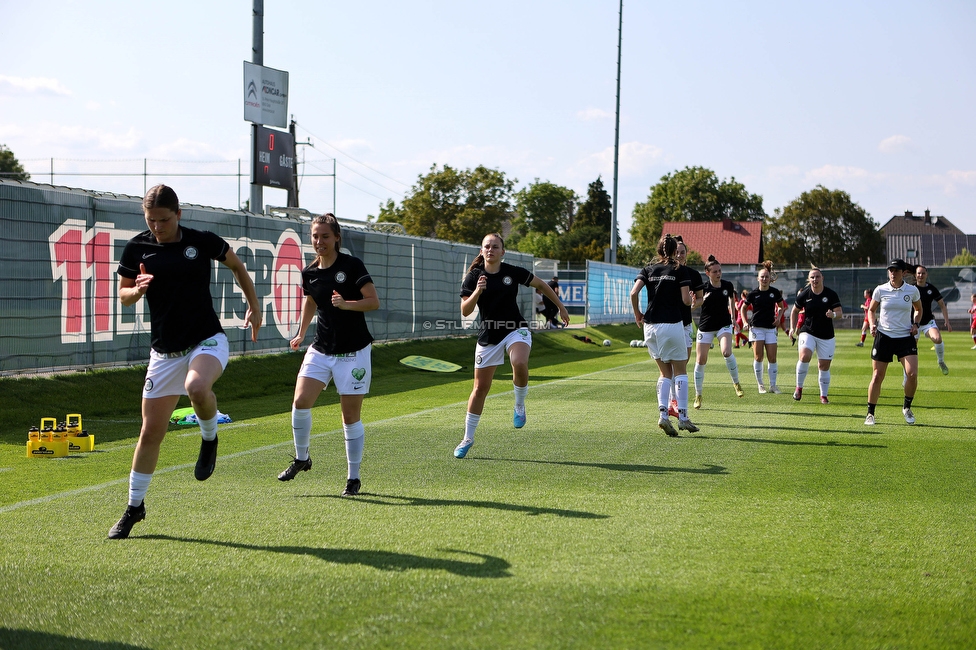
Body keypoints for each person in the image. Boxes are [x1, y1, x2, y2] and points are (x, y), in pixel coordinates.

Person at [108, 185, 262, 539]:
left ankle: (209, 439)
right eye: (151, 221)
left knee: (196, 386)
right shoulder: (137, 248)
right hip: (164, 353)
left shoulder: (201, 241)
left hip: (206, 339)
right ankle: (134, 508)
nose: (158, 227)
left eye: (164, 220)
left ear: (179, 214)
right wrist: (139, 289)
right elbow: (124, 296)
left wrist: (253, 307)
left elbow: (237, 266)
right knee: (150, 433)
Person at [277, 214, 379, 496]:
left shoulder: (352, 265)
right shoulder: (309, 272)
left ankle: (353, 478)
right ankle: (301, 458)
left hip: (354, 351)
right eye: (315, 236)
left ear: (336, 238)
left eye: (324, 236)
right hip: (321, 348)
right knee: (300, 402)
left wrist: (346, 305)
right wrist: (300, 332)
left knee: (350, 417)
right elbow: (311, 300)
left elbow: (373, 301)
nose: (319, 241)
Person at [453, 234, 569, 459]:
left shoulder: (512, 272)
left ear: (502, 252)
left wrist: (561, 307)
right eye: (487, 246)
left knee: (519, 361)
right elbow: (465, 311)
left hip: (516, 329)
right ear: (481, 250)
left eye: (495, 247)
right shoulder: (474, 276)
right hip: (488, 336)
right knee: (479, 389)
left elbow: (541, 284)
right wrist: (478, 291)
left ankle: (519, 405)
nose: (491, 250)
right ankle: (467, 438)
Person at [630, 233, 698, 436]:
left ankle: (663, 415)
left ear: (659, 250)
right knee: (680, 371)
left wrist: (637, 314)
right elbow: (686, 300)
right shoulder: (680, 269)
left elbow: (633, 293)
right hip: (672, 323)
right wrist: (692, 301)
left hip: (649, 326)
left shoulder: (648, 269)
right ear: (674, 251)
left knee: (664, 373)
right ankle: (684, 418)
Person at [865, 259, 923, 426]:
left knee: (912, 374)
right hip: (884, 336)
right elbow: (871, 310)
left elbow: (919, 309)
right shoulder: (880, 290)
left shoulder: (912, 291)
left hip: (905, 337)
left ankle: (907, 407)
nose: (893, 273)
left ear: (903, 272)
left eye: (896, 270)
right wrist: (873, 324)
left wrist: (916, 324)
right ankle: (870, 413)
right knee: (877, 376)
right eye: (890, 270)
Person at [692, 255, 744, 409]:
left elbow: (732, 302)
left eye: (719, 270)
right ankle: (698, 394)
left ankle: (736, 384)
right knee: (701, 360)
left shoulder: (727, 285)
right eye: (714, 271)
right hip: (706, 326)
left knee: (727, 352)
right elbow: (693, 306)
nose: (718, 273)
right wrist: (696, 302)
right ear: (708, 273)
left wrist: (734, 319)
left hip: (723, 324)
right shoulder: (703, 288)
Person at [789, 267, 842, 404]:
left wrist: (833, 315)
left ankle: (823, 395)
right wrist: (792, 328)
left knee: (823, 366)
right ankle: (799, 388)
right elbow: (794, 311)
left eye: (817, 276)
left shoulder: (831, 294)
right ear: (809, 279)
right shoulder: (804, 295)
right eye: (812, 277)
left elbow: (839, 312)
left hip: (826, 335)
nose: (815, 279)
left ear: (822, 278)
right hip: (808, 331)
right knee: (804, 355)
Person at [740, 261, 788, 394]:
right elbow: (743, 309)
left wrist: (778, 318)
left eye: (767, 277)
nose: (764, 279)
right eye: (762, 277)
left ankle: (773, 385)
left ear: (770, 278)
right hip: (756, 328)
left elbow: (781, 306)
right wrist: (745, 322)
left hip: (771, 329)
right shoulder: (753, 294)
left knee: (772, 357)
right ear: (758, 278)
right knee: (758, 357)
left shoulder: (775, 293)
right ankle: (760, 384)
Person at [912, 265, 951, 375]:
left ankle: (941, 361)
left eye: (923, 273)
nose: (921, 275)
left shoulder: (931, 288)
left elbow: (942, 304)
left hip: (927, 322)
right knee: (911, 351)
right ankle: (907, 377)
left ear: (926, 274)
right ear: (915, 275)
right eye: (919, 273)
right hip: (913, 323)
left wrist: (947, 321)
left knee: (937, 338)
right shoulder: (911, 288)